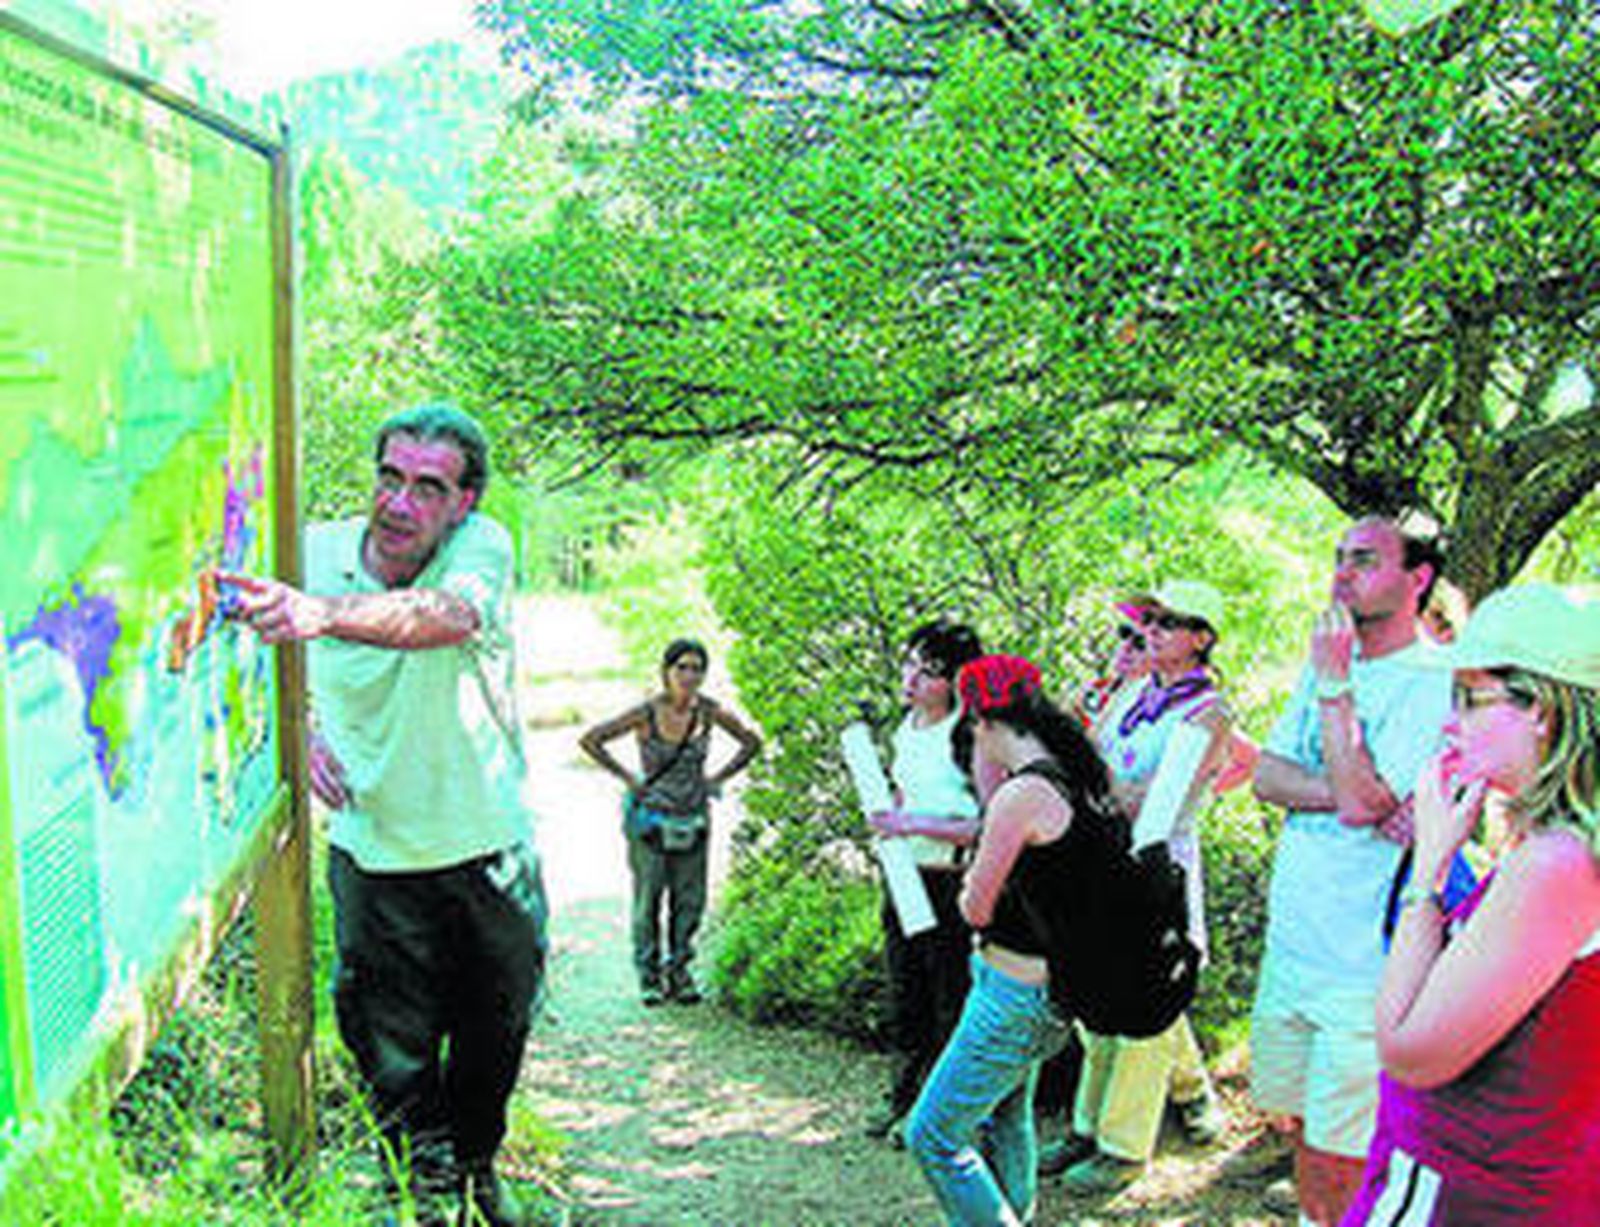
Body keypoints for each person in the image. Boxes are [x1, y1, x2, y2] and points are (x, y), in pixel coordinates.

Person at [221, 403, 547, 1227]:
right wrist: (300, 724)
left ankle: (477, 1173)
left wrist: (322, 614)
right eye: (390, 477)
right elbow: (239, 624)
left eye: (428, 487)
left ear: (464, 501)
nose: (399, 503)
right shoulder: (316, 551)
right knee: (390, 1060)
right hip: (374, 858)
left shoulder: (483, 548)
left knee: (494, 1039)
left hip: (489, 852)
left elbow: (449, 616)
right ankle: (425, 1200)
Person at [1345, 583, 1600, 1222]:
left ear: (1541, 708)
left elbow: (1409, 1051)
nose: (1449, 722)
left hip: (1469, 1195)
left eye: (1469, 698)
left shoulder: (1556, 865)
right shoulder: (1559, 850)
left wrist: (1429, 864)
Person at [1249, 517, 1452, 1226]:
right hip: (1294, 947)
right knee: (1299, 1131)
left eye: (1363, 560)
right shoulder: (1324, 667)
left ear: (1417, 577)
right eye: (1338, 558)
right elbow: (1266, 779)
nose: (1340, 573)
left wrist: (1337, 691)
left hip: (1363, 969)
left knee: (1345, 1163)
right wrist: (1351, 792)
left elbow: (1367, 802)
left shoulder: (1434, 679)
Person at [905, 655, 1110, 1225]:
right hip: (1047, 993)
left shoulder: (1023, 798)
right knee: (1006, 1113)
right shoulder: (1080, 776)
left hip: (1013, 999)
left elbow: (975, 907)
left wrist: (979, 759)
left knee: (933, 1135)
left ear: (980, 721)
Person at [1049, 581, 1232, 1194]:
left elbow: (1155, 796)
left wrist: (1096, 794)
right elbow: (1088, 758)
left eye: (1169, 622)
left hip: (1159, 867)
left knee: (1147, 1004)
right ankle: (1090, 1123)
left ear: (1201, 638)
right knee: (1099, 995)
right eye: (1148, 620)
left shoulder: (1208, 713)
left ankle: (1124, 1147)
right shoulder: (1131, 691)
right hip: (1105, 854)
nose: (1151, 631)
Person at [579, 638, 761, 1005]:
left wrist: (717, 779)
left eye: (697, 668)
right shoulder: (646, 714)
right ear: (666, 671)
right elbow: (592, 739)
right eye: (682, 667)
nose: (689, 675)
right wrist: (629, 778)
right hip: (650, 818)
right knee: (649, 900)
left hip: (694, 816)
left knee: (689, 901)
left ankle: (680, 973)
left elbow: (751, 742)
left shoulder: (709, 712)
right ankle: (648, 977)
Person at [863, 619, 984, 1142]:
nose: (913, 680)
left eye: (930, 672)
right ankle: (903, 1097)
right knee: (906, 992)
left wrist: (911, 823)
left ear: (958, 680)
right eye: (911, 665)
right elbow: (907, 793)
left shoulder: (972, 734)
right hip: (902, 876)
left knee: (947, 997)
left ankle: (937, 1114)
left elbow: (987, 821)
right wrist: (893, 810)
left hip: (950, 882)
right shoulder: (905, 729)